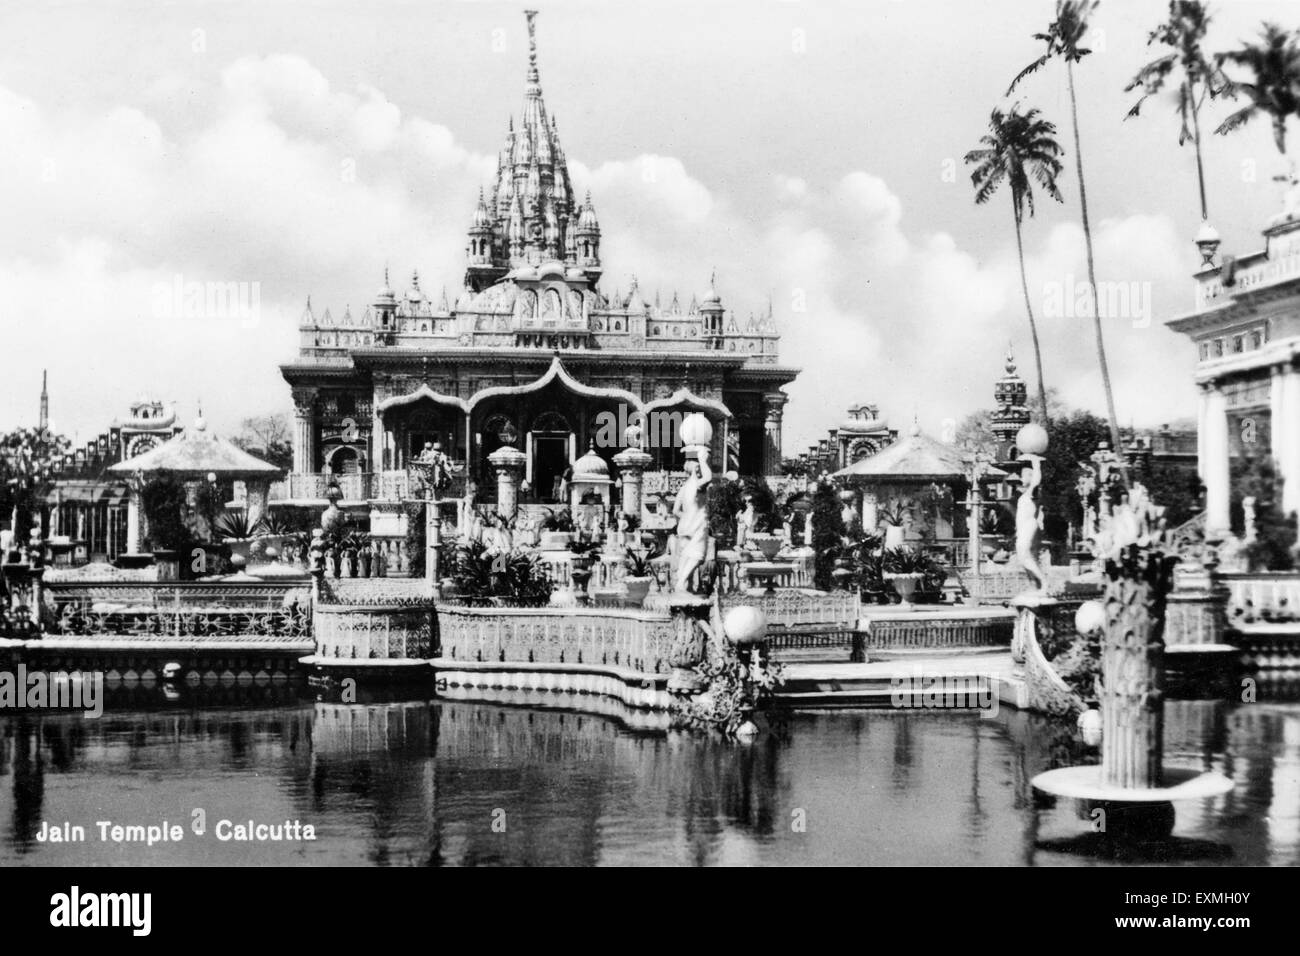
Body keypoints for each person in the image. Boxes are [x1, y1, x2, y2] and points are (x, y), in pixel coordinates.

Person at [672, 450, 712, 593]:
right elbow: (708, 477)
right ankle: (681, 582)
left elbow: (675, 511)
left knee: (686, 555)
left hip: (685, 526)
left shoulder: (684, 488)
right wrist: (703, 459)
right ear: (697, 468)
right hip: (697, 526)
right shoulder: (698, 485)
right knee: (697, 555)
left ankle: (684, 586)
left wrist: (687, 517)